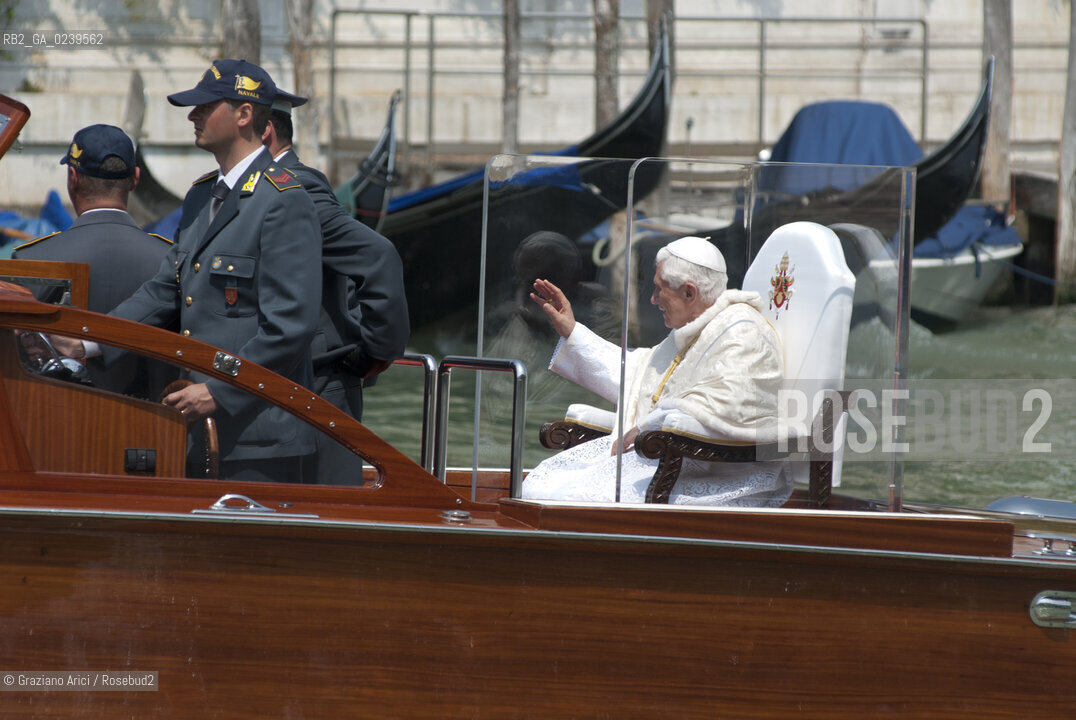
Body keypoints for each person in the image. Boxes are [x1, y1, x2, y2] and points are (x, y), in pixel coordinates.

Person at [58, 60, 324, 484]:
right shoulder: (203, 196)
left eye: (205, 106)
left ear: (244, 114)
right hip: (199, 428)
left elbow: (290, 327)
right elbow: (165, 289)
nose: (192, 116)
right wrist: (87, 343)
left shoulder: (284, 200)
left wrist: (218, 392)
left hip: (260, 440)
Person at [521, 235, 791, 506]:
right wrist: (573, 331)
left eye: (659, 289)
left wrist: (647, 426)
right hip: (666, 456)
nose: (652, 300)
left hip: (721, 474)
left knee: (566, 496)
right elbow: (641, 375)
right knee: (541, 483)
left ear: (689, 292)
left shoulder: (742, 331)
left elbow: (730, 406)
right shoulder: (697, 329)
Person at [264, 88, 409, 485]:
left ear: (262, 130)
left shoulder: (295, 187)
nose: (196, 119)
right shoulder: (236, 190)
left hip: (314, 384)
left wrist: (374, 351)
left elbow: (378, 257)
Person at [12, 124, 174, 396]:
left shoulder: (31, 259)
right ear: (135, 179)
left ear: (72, 177)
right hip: (156, 429)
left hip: (53, 426)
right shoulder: (171, 259)